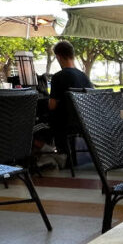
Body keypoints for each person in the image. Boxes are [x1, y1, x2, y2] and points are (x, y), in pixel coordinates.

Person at [46, 40, 93, 168]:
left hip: (65, 125)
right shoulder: (84, 76)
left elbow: (52, 105)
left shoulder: (58, 77)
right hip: (85, 123)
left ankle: (50, 154)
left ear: (58, 57)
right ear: (72, 55)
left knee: (38, 123)